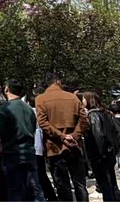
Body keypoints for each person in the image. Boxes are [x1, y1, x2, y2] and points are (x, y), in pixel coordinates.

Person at [35, 73, 89, 202]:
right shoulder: (73, 97)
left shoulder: (40, 99)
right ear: (58, 82)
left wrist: (62, 137)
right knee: (80, 184)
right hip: (74, 146)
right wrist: (74, 136)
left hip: (54, 147)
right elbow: (84, 120)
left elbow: (43, 123)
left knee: (62, 185)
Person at [0, 78, 44, 202]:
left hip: (12, 154)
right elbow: (33, 127)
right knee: (34, 189)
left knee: (15, 191)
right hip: (29, 153)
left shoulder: (4, 109)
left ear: (6, 89)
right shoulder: (28, 109)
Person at [81, 92, 120, 202]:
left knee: (106, 185)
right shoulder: (106, 113)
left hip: (100, 157)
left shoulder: (93, 115)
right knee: (112, 183)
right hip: (109, 154)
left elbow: (99, 136)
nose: (82, 101)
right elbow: (118, 132)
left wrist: (100, 155)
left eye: (83, 99)